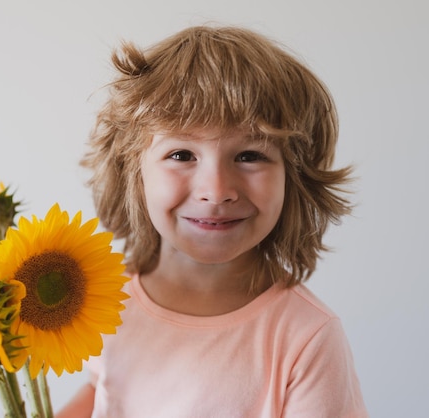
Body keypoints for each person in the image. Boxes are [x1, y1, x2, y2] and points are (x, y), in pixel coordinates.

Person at [58, 25, 368, 417]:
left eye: (250, 156)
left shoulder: (306, 339)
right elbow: (103, 390)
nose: (216, 190)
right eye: (182, 154)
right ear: (132, 171)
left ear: (295, 176)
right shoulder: (107, 304)